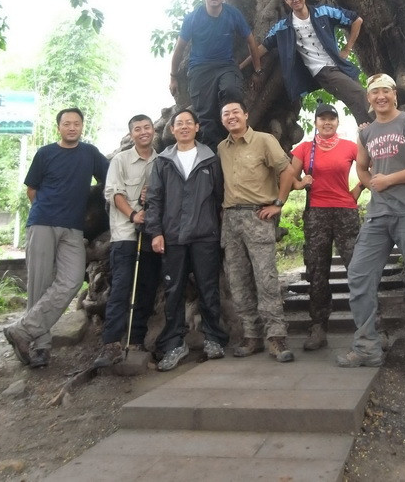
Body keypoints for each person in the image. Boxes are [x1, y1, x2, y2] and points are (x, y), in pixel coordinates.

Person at [337, 73, 405, 380]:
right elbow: (361, 166)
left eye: (385, 91)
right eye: (374, 92)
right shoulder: (366, 133)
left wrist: (389, 181)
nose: (380, 96)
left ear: (395, 94)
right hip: (378, 214)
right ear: (369, 99)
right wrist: (372, 184)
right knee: (358, 274)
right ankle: (368, 344)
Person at [4, 108, 109, 369]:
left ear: (82, 127)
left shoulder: (90, 154)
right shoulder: (45, 153)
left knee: (72, 280)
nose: (72, 127)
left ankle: (22, 330)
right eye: (66, 123)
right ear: (59, 127)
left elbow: (110, 177)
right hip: (42, 223)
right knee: (39, 285)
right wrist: (45, 212)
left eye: (76, 123)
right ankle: (40, 347)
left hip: (74, 228)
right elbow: (32, 189)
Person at [145, 108, 228, 371]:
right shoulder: (163, 161)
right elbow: (155, 199)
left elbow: (218, 198)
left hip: (205, 235)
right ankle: (173, 344)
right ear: (171, 130)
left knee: (208, 289)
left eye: (188, 123)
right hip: (172, 236)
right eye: (178, 123)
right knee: (173, 291)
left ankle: (214, 338)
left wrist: (215, 228)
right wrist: (156, 232)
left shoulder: (210, 159)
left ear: (197, 127)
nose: (183, 127)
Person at [217, 100, 299, 363]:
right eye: (226, 114)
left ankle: (276, 337)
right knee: (238, 281)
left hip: (257, 215)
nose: (231, 117)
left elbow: (286, 170)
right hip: (230, 219)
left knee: (266, 279)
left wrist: (278, 203)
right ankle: (251, 336)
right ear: (222, 120)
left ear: (246, 115)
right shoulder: (221, 147)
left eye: (235, 112)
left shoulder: (263, 140)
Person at [244, 0, 369, 125]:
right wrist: (241, 66)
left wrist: (347, 49)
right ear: (286, 1)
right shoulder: (283, 26)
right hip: (322, 70)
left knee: (357, 101)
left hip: (340, 65)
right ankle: (381, 127)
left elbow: (357, 20)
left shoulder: (323, 12)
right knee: (359, 94)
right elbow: (260, 49)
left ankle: (369, 134)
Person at [291, 102, 362, 351]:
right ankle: (318, 327)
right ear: (316, 122)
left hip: (346, 213)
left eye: (331, 118)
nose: (327, 122)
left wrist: (356, 191)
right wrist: (300, 183)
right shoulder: (304, 148)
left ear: (338, 122)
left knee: (357, 268)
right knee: (317, 272)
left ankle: (371, 327)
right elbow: (288, 176)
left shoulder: (350, 147)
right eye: (322, 119)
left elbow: (369, 170)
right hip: (317, 214)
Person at [93, 114, 161, 368]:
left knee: (146, 287)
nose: (143, 132)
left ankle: (137, 339)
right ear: (131, 134)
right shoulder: (120, 161)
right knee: (122, 287)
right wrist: (134, 214)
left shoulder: (161, 160)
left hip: (151, 234)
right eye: (137, 129)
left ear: (153, 130)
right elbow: (114, 193)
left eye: (147, 127)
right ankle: (111, 342)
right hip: (125, 234)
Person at [169, 0, 261, 151]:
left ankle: (236, 139)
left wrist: (258, 70)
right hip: (200, 69)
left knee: (231, 90)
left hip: (226, 65)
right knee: (206, 116)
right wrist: (173, 77)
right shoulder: (193, 18)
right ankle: (216, 155)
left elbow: (251, 41)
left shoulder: (232, 14)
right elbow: (179, 50)